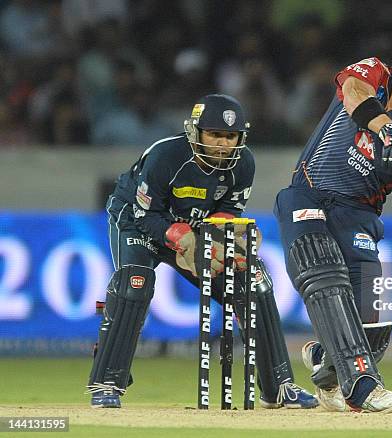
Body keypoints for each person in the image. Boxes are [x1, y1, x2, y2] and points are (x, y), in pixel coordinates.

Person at [273, 28, 392, 413]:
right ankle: (363, 384)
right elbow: (353, 94)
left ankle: (325, 365)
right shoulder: (375, 72)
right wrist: (386, 130)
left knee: (371, 330)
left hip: (358, 215)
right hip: (309, 192)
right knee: (324, 275)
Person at [87, 93, 318, 409]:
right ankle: (107, 383)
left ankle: (278, 387)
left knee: (253, 281)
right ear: (195, 132)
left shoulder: (243, 163)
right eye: (215, 134)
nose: (223, 144)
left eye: (230, 136)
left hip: (196, 228)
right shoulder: (165, 156)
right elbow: (146, 215)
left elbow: (225, 214)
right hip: (136, 221)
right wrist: (182, 238)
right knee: (134, 284)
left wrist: (231, 242)